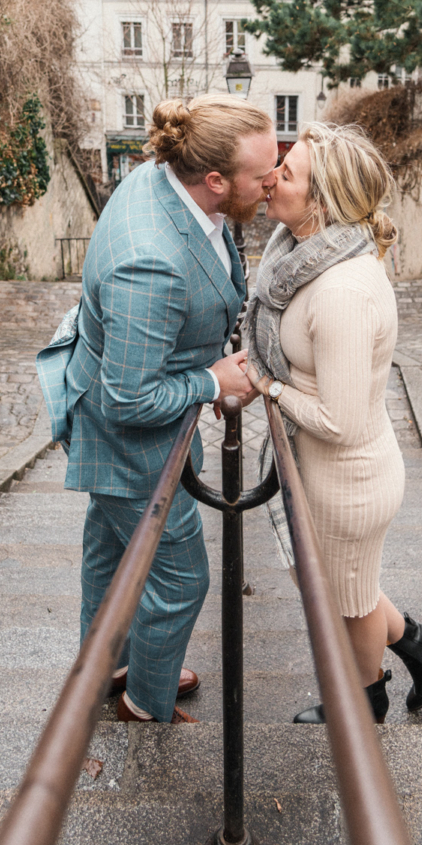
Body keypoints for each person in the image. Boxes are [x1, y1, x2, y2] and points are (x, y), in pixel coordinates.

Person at [56, 93, 278, 724]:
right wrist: (209, 382)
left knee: (109, 552)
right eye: (262, 175)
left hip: (119, 404)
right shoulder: (150, 261)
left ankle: (110, 666)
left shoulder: (166, 179)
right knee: (181, 579)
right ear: (214, 181)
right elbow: (130, 398)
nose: (273, 182)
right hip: (129, 440)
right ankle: (142, 704)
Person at [244, 121, 422, 723]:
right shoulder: (302, 257)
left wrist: (267, 386)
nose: (271, 178)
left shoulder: (340, 290)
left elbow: (337, 420)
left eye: (287, 174)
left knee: (350, 601)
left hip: (349, 481)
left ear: (321, 203)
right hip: (325, 471)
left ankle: (365, 705)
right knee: (344, 589)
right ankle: (419, 643)